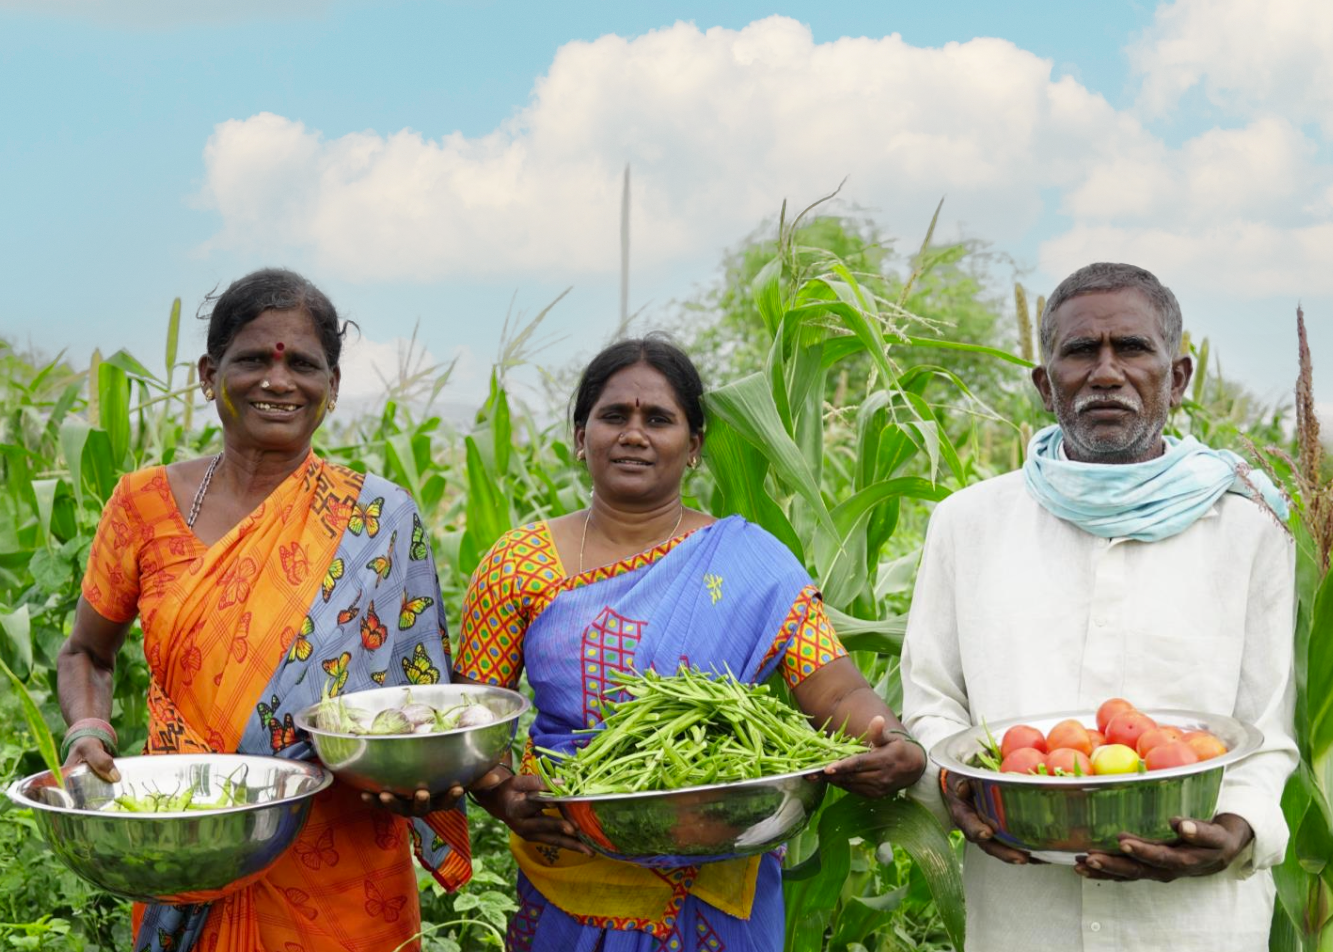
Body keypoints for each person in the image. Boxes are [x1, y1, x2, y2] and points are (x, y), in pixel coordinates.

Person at [451, 336, 927, 951]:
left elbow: (836, 690)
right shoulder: (519, 563)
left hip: (723, 865)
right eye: (614, 416)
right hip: (572, 868)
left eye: (659, 419)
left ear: (695, 445)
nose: (633, 434)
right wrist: (499, 790)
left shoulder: (751, 558)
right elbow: (471, 718)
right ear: (580, 434)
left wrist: (889, 739)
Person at [57, 269, 480, 952]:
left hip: (338, 863)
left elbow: (419, 702)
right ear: (208, 373)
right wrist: (87, 729)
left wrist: (414, 779)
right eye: (252, 359)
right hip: (187, 842)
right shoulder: (142, 507)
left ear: (333, 387)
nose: (277, 382)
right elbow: (86, 651)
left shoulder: (378, 519)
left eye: (304, 365)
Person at [901, 262, 1298, 951]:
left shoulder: (1249, 528)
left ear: (1176, 379)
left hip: (1195, 921)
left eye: (1132, 349)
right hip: (1022, 907)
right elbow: (932, 699)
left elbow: (1266, 732)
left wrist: (1236, 829)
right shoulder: (968, 523)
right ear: (1043, 383)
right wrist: (952, 783)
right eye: (1079, 351)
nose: (1105, 372)